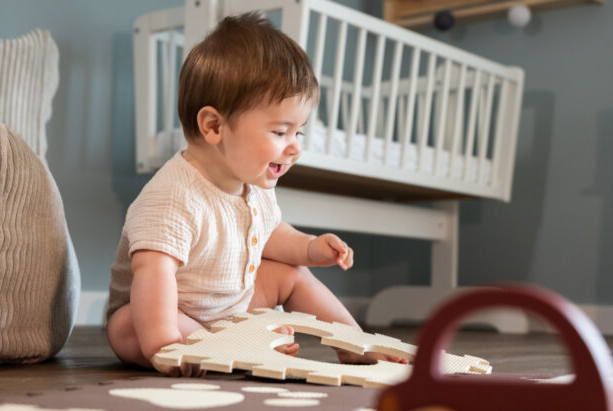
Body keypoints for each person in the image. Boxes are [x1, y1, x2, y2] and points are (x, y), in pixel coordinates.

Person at [105, 12, 406, 374]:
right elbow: (153, 274)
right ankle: (226, 349)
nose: (295, 148)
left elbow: (270, 234)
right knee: (126, 326)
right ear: (213, 126)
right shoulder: (172, 196)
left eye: (299, 133)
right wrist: (164, 344)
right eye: (280, 132)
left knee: (291, 273)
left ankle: (354, 342)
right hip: (168, 314)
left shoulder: (253, 186)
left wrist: (310, 247)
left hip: (230, 308)